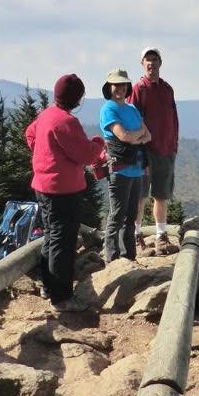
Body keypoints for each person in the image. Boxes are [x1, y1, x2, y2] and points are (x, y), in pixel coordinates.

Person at [24, 73, 94, 312]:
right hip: (63, 190)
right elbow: (85, 154)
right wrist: (99, 145)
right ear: (75, 98)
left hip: (42, 186)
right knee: (63, 241)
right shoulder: (66, 122)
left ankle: (47, 285)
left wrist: (42, 150)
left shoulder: (46, 115)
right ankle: (61, 297)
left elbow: (30, 134)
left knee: (51, 236)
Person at [99, 69, 151, 263]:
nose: (120, 88)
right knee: (117, 215)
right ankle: (111, 259)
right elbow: (124, 136)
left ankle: (128, 257)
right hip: (119, 169)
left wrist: (133, 137)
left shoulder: (132, 109)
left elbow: (149, 136)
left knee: (131, 216)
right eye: (116, 84)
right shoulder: (108, 109)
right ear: (109, 87)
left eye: (123, 84)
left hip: (135, 168)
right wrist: (136, 136)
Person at [130, 47, 179, 252]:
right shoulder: (138, 89)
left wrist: (174, 144)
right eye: (147, 59)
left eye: (154, 59)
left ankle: (161, 235)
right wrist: (138, 147)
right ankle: (135, 235)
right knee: (140, 196)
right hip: (145, 150)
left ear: (160, 62)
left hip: (166, 149)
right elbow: (133, 119)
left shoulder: (167, 89)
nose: (151, 63)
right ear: (142, 64)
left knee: (162, 195)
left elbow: (173, 117)